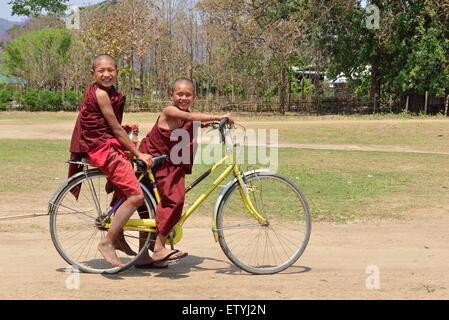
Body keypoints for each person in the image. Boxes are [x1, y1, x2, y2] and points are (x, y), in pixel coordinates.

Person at [135, 78, 233, 268]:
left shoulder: (185, 115)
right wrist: (218, 116)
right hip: (158, 162)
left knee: (152, 211)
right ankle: (158, 248)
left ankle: (142, 256)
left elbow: (191, 121)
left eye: (188, 95)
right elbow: (189, 119)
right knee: (174, 200)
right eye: (179, 94)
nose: (183, 98)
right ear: (171, 96)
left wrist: (208, 124)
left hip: (167, 162)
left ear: (194, 97)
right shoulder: (169, 111)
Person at [68, 54, 154, 267]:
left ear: (117, 71)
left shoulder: (108, 92)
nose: (106, 74)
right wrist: (138, 153)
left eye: (110, 70)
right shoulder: (101, 94)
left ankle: (121, 236)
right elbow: (114, 129)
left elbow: (112, 126)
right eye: (101, 71)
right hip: (101, 148)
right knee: (136, 196)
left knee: (131, 182)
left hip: (104, 143)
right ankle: (107, 242)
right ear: (92, 74)